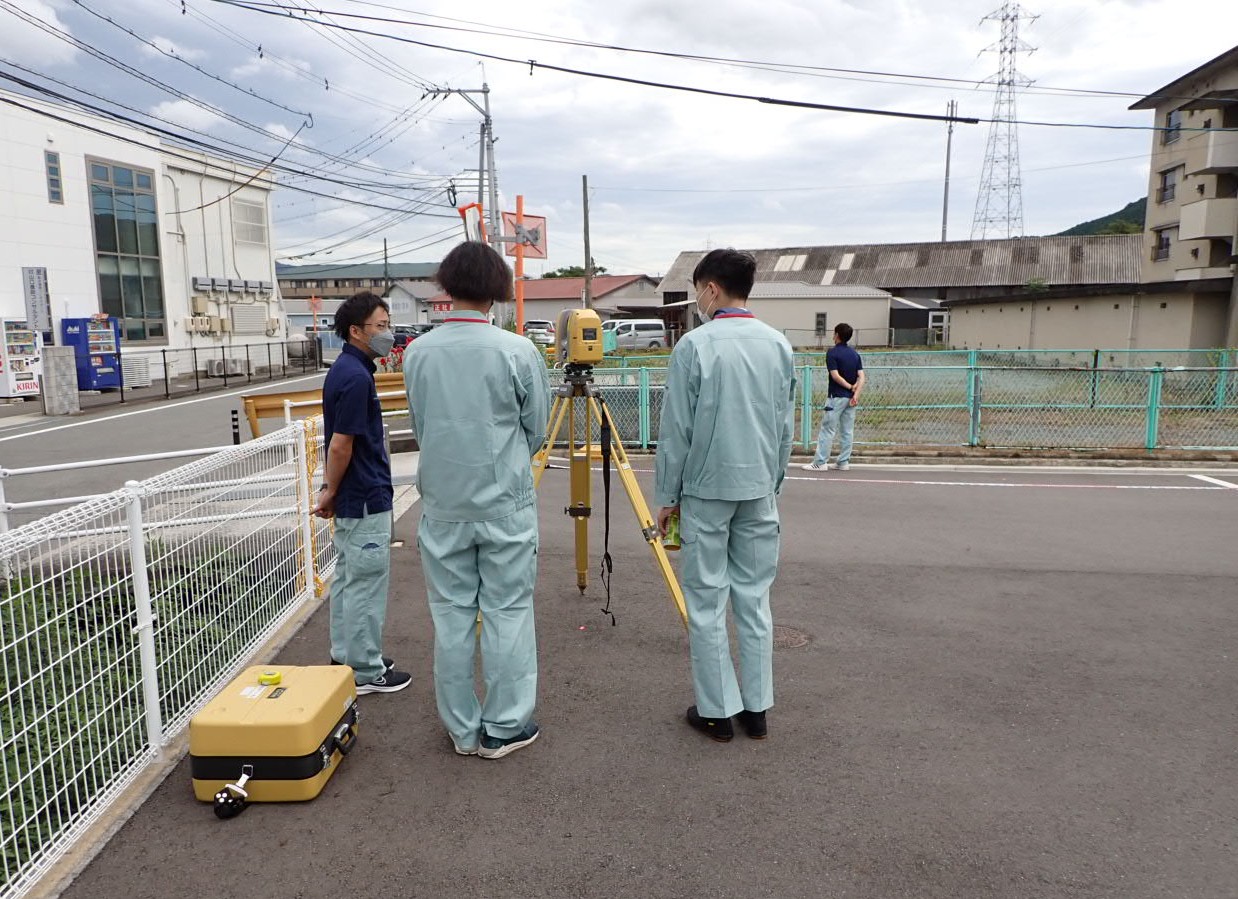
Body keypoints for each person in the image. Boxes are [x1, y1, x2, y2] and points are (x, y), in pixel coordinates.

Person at [403, 241, 551, 759]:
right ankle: (504, 727)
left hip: (444, 503)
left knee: (451, 615)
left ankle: (462, 728)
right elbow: (536, 427)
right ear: (497, 290)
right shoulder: (517, 351)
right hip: (504, 500)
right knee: (508, 611)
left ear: (447, 287)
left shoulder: (418, 352)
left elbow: (421, 424)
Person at [654, 248, 795, 743]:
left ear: (710, 289)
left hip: (706, 489)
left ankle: (716, 712)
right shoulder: (778, 344)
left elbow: (677, 431)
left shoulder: (694, 346)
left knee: (707, 600)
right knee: (754, 599)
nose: (698, 299)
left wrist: (667, 496)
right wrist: (773, 481)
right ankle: (756, 709)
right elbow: (784, 425)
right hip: (759, 487)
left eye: (698, 290)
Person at [313, 291, 411, 695]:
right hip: (365, 495)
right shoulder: (356, 377)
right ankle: (366, 670)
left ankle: (345, 657)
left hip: (355, 495)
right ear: (356, 331)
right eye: (381, 326)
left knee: (350, 580)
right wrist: (330, 489)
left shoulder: (345, 370)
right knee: (366, 585)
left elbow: (339, 443)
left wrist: (332, 488)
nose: (388, 333)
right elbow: (341, 444)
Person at [802, 323, 865, 472]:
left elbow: (835, 376)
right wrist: (856, 393)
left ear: (837, 335)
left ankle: (820, 462)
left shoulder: (832, 353)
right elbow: (862, 376)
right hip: (851, 399)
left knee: (827, 429)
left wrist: (849, 387)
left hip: (836, 397)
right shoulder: (854, 354)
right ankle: (843, 462)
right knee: (847, 431)